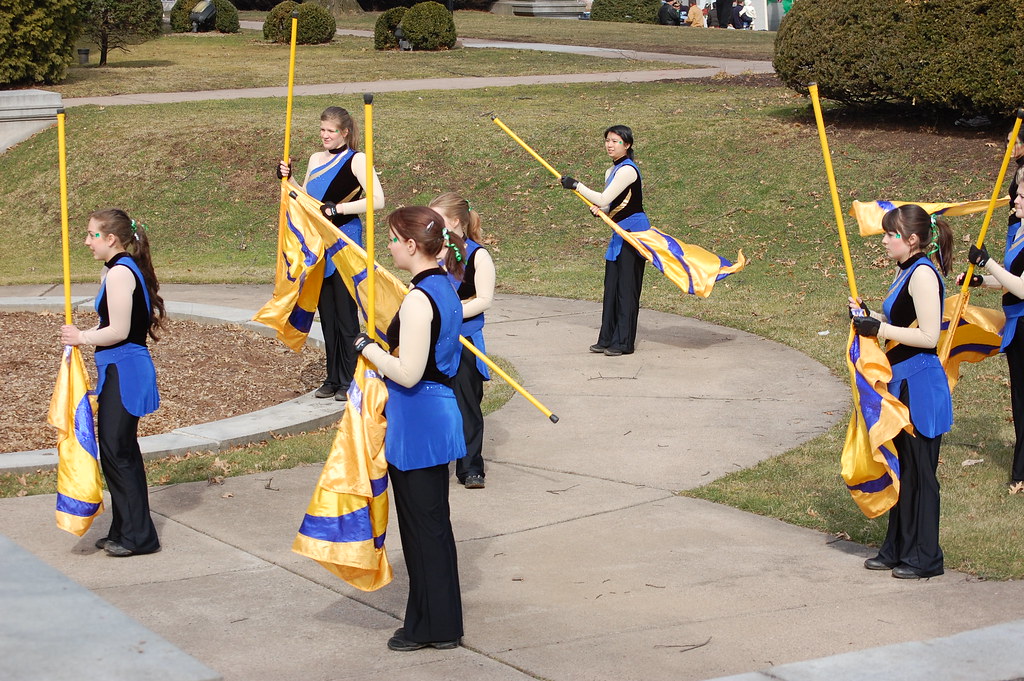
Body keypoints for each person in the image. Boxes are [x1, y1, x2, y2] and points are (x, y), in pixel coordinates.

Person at [354, 206, 467, 651]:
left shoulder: (422, 297)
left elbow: (408, 372)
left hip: (420, 418)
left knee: (424, 528)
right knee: (431, 524)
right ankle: (438, 623)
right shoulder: (442, 285)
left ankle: (432, 627)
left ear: (412, 245)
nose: (388, 246)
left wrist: (368, 349)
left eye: (393, 239)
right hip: (432, 414)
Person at [850, 204, 954, 579]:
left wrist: (879, 330)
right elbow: (898, 323)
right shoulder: (906, 270)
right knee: (902, 470)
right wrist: (868, 317)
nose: (883, 241)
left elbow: (928, 336)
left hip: (921, 387)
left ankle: (926, 558)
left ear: (911, 240)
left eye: (889, 235)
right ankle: (897, 548)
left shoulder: (924, 274)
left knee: (921, 473)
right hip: (901, 383)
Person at [60, 209, 165, 558]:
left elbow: (119, 331)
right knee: (117, 452)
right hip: (118, 369)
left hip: (127, 370)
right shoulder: (116, 269)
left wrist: (80, 336)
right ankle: (125, 529)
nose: (87, 241)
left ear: (111, 239)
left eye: (92, 234)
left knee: (118, 453)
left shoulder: (120, 273)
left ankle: (140, 537)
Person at [278, 106, 385, 402]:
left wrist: (338, 209)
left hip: (345, 244)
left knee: (346, 317)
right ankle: (332, 377)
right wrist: (289, 180)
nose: (325, 136)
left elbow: (377, 200)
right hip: (318, 247)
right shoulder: (315, 159)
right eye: (322, 130)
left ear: (345, 132)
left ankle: (350, 379)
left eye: (331, 131)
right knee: (326, 315)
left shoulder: (357, 160)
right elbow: (308, 200)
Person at [559, 125, 650, 357]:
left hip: (634, 235)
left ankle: (624, 342)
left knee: (627, 289)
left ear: (627, 145)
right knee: (611, 287)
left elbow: (603, 197)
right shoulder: (610, 172)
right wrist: (601, 211)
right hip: (618, 232)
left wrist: (577, 186)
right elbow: (608, 204)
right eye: (607, 140)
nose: (610, 145)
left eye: (615, 141)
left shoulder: (628, 170)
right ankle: (607, 338)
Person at [959, 170, 1024, 490]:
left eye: (1022, 195)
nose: (1016, 199)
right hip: (1017, 325)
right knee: (1019, 399)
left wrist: (987, 262)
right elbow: (1009, 281)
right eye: (1018, 193)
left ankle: (1021, 473)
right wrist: (981, 280)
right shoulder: (1020, 231)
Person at [429, 193, 495, 490]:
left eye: (438, 219)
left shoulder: (478, 255)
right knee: (435, 404)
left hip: (465, 339)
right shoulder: (432, 252)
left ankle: (470, 468)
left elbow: (484, 299)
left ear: (455, 221)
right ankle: (433, 462)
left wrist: (451, 313)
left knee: (467, 404)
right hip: (434, 340)